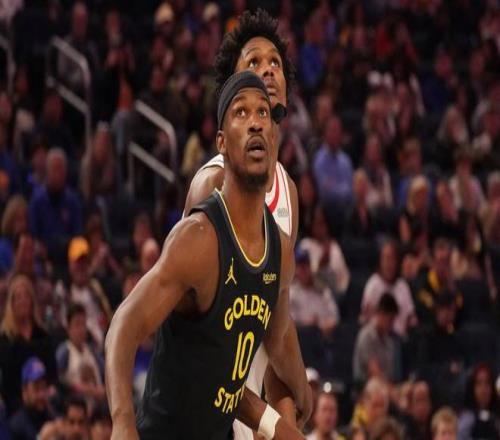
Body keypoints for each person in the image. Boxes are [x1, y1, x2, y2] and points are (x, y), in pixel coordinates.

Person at [105, 72, 308, 439]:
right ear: (222, 143)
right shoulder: (199, 239)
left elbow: (236, 371)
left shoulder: (280, 253)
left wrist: (289, 412)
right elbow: (124, 326)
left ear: (274, 139)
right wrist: (122, 422)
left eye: (263, 113)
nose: (255, 123)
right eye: (241, 113)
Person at [183, 9, 310, 439]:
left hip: (247, 403)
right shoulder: (211, 183)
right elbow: (196, 335)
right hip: (199, 404)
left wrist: (294, 399)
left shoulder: (289, 192)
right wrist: (271, 420)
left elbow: (277, 324)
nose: (268, 70)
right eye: (253, 62)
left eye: (275, 63)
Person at [353, 293, 401, 384]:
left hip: (385, 385)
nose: (392, 324)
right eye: (390, 319)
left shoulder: (389, 341)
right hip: (366, 385)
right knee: (376, 386)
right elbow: (374, 373)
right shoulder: (366, 336)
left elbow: (389, 375)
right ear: (381, 314)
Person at [9, 357, 54, 440]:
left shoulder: (51, 416)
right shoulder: (16, 426)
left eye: (44, 387)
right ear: (25, 391)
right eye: (36, 389)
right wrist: (41, 438)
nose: (42, 394)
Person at [458, 363, 500, 440]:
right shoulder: (467, 418)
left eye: (487, 383)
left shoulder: (496, 418)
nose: (483, 389)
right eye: (479, 383)